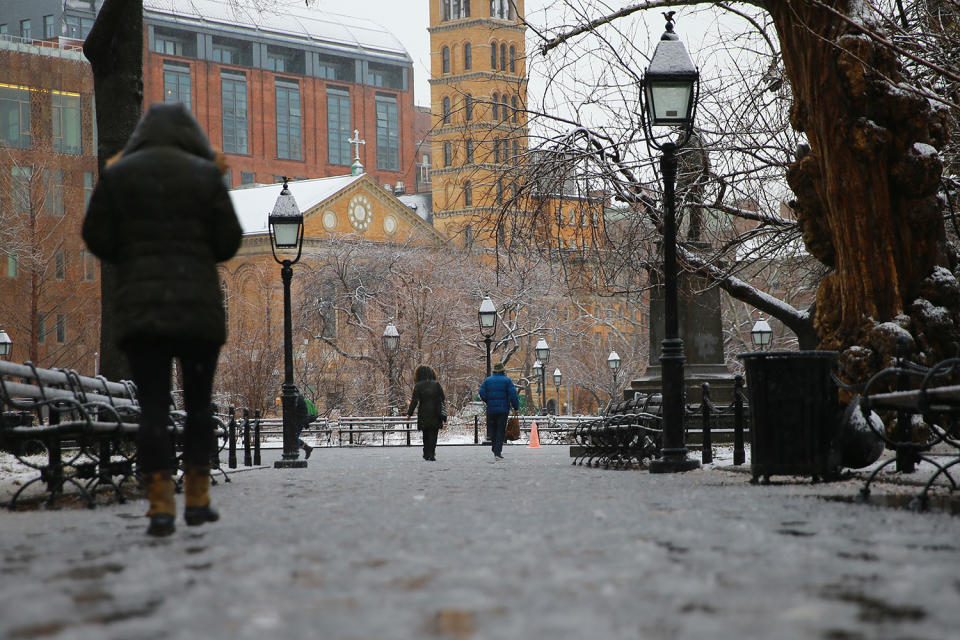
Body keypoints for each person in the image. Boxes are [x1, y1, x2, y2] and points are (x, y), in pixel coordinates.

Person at [82, 103, 243, 537]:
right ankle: (197, 501)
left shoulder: (120, 174)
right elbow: (229, 242)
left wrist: (131, 259)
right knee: (198, 407)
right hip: (197, 315)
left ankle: (159, 507)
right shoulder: (206, 174)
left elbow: (95, 235)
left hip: (143, 313)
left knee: (152, 409)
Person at [479, 362, 519, 460]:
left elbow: (481, 392)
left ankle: (494, 449)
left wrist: (488, 400)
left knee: (493, 430)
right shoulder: (507, 381)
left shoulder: (488, 381)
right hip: (503, 410)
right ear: (503, 371)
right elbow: (513, 395)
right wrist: (515, 406)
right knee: (500, 431)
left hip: (491, 410)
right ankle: (497, 452)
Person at [406, 365, 447, 461]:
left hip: (424, 412)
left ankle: (426, 452)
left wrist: (409, 413)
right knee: (434, 433)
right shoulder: (436, 384)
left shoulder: (418, 385)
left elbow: (414, 401)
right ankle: (432, 453)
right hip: (436, 412)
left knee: (426, 433)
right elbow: (443, 398)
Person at [296, 389, 315, 459]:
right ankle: (306, 448)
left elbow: (303, 412)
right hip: (297, 421)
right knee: (292, 438)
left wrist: (304, 421)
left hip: (297, 422)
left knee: (292, 439)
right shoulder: (299, 398)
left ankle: (304, 449)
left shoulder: (298, 399)